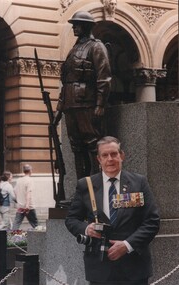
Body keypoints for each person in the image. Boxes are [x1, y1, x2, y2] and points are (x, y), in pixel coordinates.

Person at [65, 136, 160, 285]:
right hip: (99, 268)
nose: (110, 159)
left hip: (134, 267)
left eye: (114, 154)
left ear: (122, 155)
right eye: (105, 155)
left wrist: (127, 245)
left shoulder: (139, 182)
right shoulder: (86, 185)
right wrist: (86, 228)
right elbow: (71, 220)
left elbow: (152, 222)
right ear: (99, 159)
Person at [54, 11, 111, 179]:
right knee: (76, 147)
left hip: (87, 104)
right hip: (70, 105)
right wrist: (59, 109)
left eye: (77, 24)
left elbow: (104, 78)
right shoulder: (74, 50)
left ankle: (98, 185)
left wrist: (100, 104)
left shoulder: (96, 47)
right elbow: (66, 83)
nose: (73, 27)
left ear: (86, 26)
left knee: (93, 145)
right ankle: (82, 190)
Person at [12, 164, 38, 230]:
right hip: (29, 206)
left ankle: (12, 238)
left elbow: (14, 191)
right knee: (35, 224)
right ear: (30, 171)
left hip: (20, 206)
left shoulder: (19, 180)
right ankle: (41, 238)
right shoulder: (30, 180)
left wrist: (18, 200)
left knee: (16, 223)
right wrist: (27, 205)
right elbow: (28, 193)